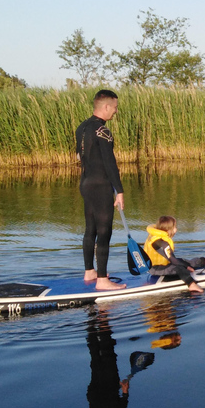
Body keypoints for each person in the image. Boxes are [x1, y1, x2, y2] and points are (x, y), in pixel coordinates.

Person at [76, 89, 126, 290]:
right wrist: (119, 190)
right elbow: (110, 163)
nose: (115, 112)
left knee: (90, 229)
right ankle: (103, 280)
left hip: (86, 184)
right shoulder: (103, 131)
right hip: (101, 185)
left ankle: (90, 272)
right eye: (114, 108)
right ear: (105, 107)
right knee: (104, 231)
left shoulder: (82, 127)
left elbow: (79, 157)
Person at [143, 215, 205, 293]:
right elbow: (173, 261)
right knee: (179, 268)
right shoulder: (160, 242)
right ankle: (192, 285)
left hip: (162, 265)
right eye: (174, 227)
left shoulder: (156, 236)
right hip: (155, 269)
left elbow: (174, 259)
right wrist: (186, 267)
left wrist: (185, 264)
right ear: (168, 229)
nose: (176, 229)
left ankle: (204, 261)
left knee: (182, 261)